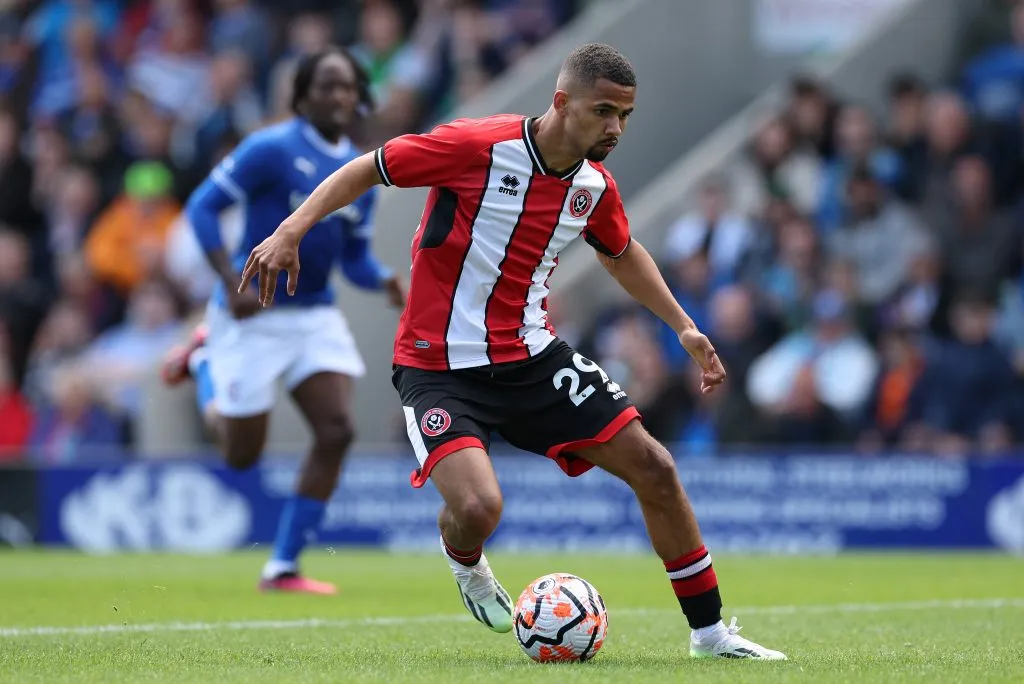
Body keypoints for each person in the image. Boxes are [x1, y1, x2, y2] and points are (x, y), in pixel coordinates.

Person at [238, 43, 785, 659]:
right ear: (561, 102)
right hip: (436, 366)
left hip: (531, 360)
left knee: (655, 468)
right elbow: (369, 166)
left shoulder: (592, 186)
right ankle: (463, 556)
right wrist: (291, 230)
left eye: (624, 116)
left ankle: (710, 635)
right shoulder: (475, 146)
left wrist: (683, 326)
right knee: (477, 506)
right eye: (603, 111)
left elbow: (621, 251)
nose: (615, 128)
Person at [160, 47, 406, 595]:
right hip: (252, 315)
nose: (339, 96)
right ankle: (204, 362)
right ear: (301, 95)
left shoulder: (361, 172)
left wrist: (385, 279)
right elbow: (202, 207)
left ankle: (283, 567)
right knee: (241, 455)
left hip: (314, 315)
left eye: (348, 87)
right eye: (327, 86)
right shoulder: (271, 148)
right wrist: (230, 284)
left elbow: (354, 259)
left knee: (337, 431)